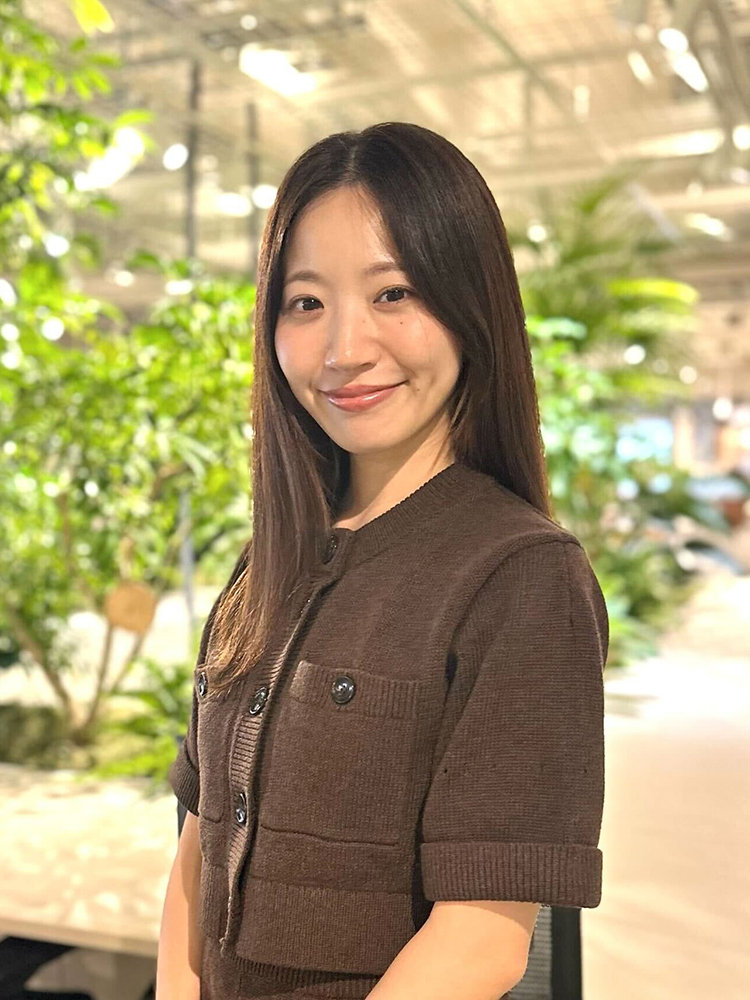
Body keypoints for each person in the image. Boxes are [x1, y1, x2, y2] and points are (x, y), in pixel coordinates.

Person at [155, 121, 609, 1000]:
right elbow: (200, 841)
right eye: (306, 302)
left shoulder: (520, 578)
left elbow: (482, 939)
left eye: (393, 293)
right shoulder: (270, 561)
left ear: (469, 302)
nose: (344, 350)